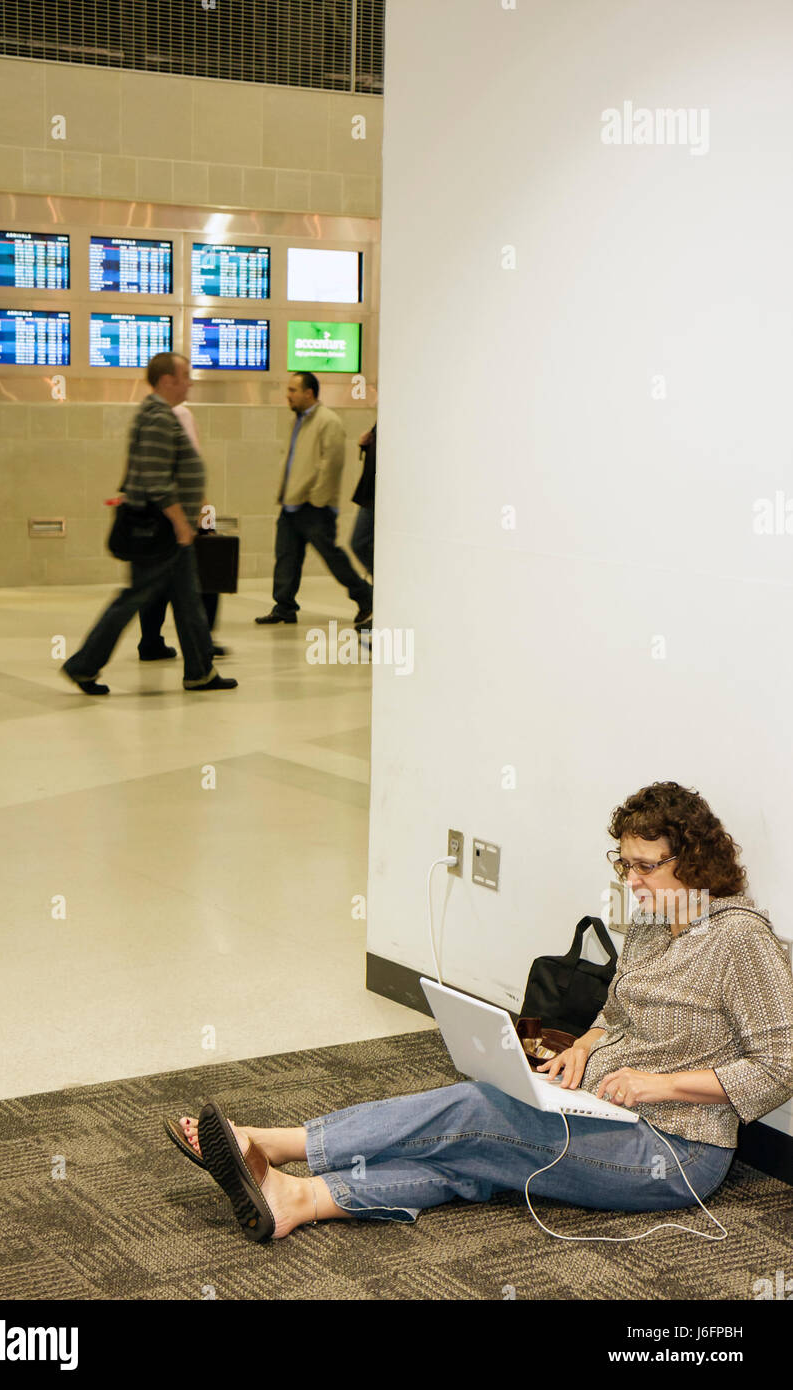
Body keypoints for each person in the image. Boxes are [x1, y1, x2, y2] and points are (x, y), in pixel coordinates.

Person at [164, 781, 793, 1243]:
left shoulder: (740, 939)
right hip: (606, 1107)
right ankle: (298, 1201)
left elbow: (781, 1066)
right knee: (478, 1154)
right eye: (624, 863)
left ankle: (273, 1145)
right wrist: (583, 1046)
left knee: (480, 1112)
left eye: (646, 866)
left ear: (696, 860)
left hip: (678, 1150)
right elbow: (617, 1010)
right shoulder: (653, 923)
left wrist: (657, 1084)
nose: (631, 880)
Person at [61, 352, 236, 696]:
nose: (190, 381)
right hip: (163, 531)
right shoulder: (158, 418)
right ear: (167, 380)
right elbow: (157, 480)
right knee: (133, 598)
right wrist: (181, 524)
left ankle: (200, 671)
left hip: (168, 529)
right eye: (185, 375)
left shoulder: (159, 415)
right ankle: (83, 665)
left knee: (188, 601)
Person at [255, 373, 373, 631]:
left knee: (332, 557)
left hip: (314, 507)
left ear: (309, 393)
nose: (288, 394)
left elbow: (331, 464)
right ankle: (284, 607)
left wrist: (318, 500)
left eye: (293, 389)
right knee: (286, 556)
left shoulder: (328, 421)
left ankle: (366, 597)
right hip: (292, 503)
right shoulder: (297, 421)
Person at [137, 401, 228, 662]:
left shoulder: (147, 413)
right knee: (205, 576)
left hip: (152, 513)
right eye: (184, 378)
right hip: (181, 512)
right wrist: (206, 518)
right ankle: (203, 642)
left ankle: (151, 641)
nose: (189, 383)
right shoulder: (180, 415)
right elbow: (189, 471)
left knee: (154, 582)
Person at [350, 421, 375, 578]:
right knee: (359, 543)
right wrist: (364, 445)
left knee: (359, 542)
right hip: (370, 493)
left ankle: (383, 580)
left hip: (375, 495)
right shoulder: (380, 420)